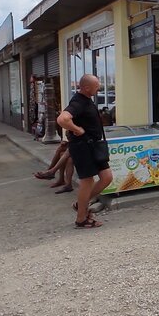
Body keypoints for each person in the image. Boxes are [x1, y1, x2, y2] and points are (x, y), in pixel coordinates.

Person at [57, 74, 113, 229]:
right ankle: (81, 219)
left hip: (94, 146)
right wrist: (76, 129)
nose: (99, 87)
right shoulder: (78, 102)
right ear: (87, 87)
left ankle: (80, 204)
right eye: (96, 85)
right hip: (83, 147)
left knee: (106, 177)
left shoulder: (87, 100)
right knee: (87, 181)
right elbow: (62, 119)